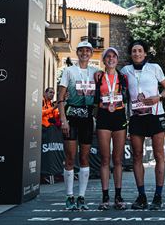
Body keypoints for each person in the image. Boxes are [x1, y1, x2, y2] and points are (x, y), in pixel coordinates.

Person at [121, 40, 165, 210]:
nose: (137, 53)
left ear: (145, 53)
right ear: (131, 54)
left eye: (140, 50)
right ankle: (141, 196)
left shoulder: (154, 68)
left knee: (159, 155)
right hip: (136, 116)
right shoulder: (125, 71)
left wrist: (159, 97)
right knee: (137, 155)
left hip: (156, 114)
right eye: (134, 51)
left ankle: (158, 196)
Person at [57, 41, 99, 210]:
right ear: (77, 52)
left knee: (84, 158)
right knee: (70, 158)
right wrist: (63, 120)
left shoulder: (96, 72)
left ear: (91, 53)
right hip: (71, 118)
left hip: (87, 120)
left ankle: (81, 196)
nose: (84, 53)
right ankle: (69, 196)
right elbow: (60, 98)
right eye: (81, 51)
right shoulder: (69, 71)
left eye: (87, 51)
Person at [94, 47, 129, 210]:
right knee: (105, 158)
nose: (111, 59)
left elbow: (128, 97)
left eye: (114, 56)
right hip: (104, 116)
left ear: (117, 59)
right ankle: (105, 196)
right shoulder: (98, 76)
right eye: (108, 56)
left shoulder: (123, 77)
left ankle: (118, 196)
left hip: (119, 116)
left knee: (118, 159)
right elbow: (94, 97)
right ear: (104, 60)